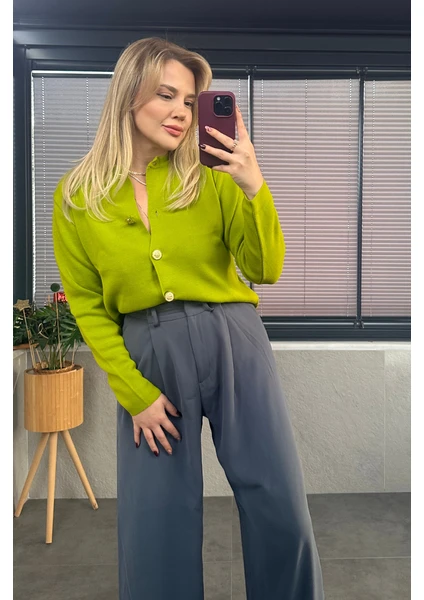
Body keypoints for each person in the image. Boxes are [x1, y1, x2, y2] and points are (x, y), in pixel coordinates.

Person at [52, 37, 325, 600]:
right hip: (148, 357)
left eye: (189, 100)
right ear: (128, 94)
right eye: (166, 95)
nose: (180, 111)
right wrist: (135, 394)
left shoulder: (213, 175)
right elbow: (88, 305)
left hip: (234, 340)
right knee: (154, 524)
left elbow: (265, 268)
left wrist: (254, 186)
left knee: (279, 504)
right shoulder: (78, 196)